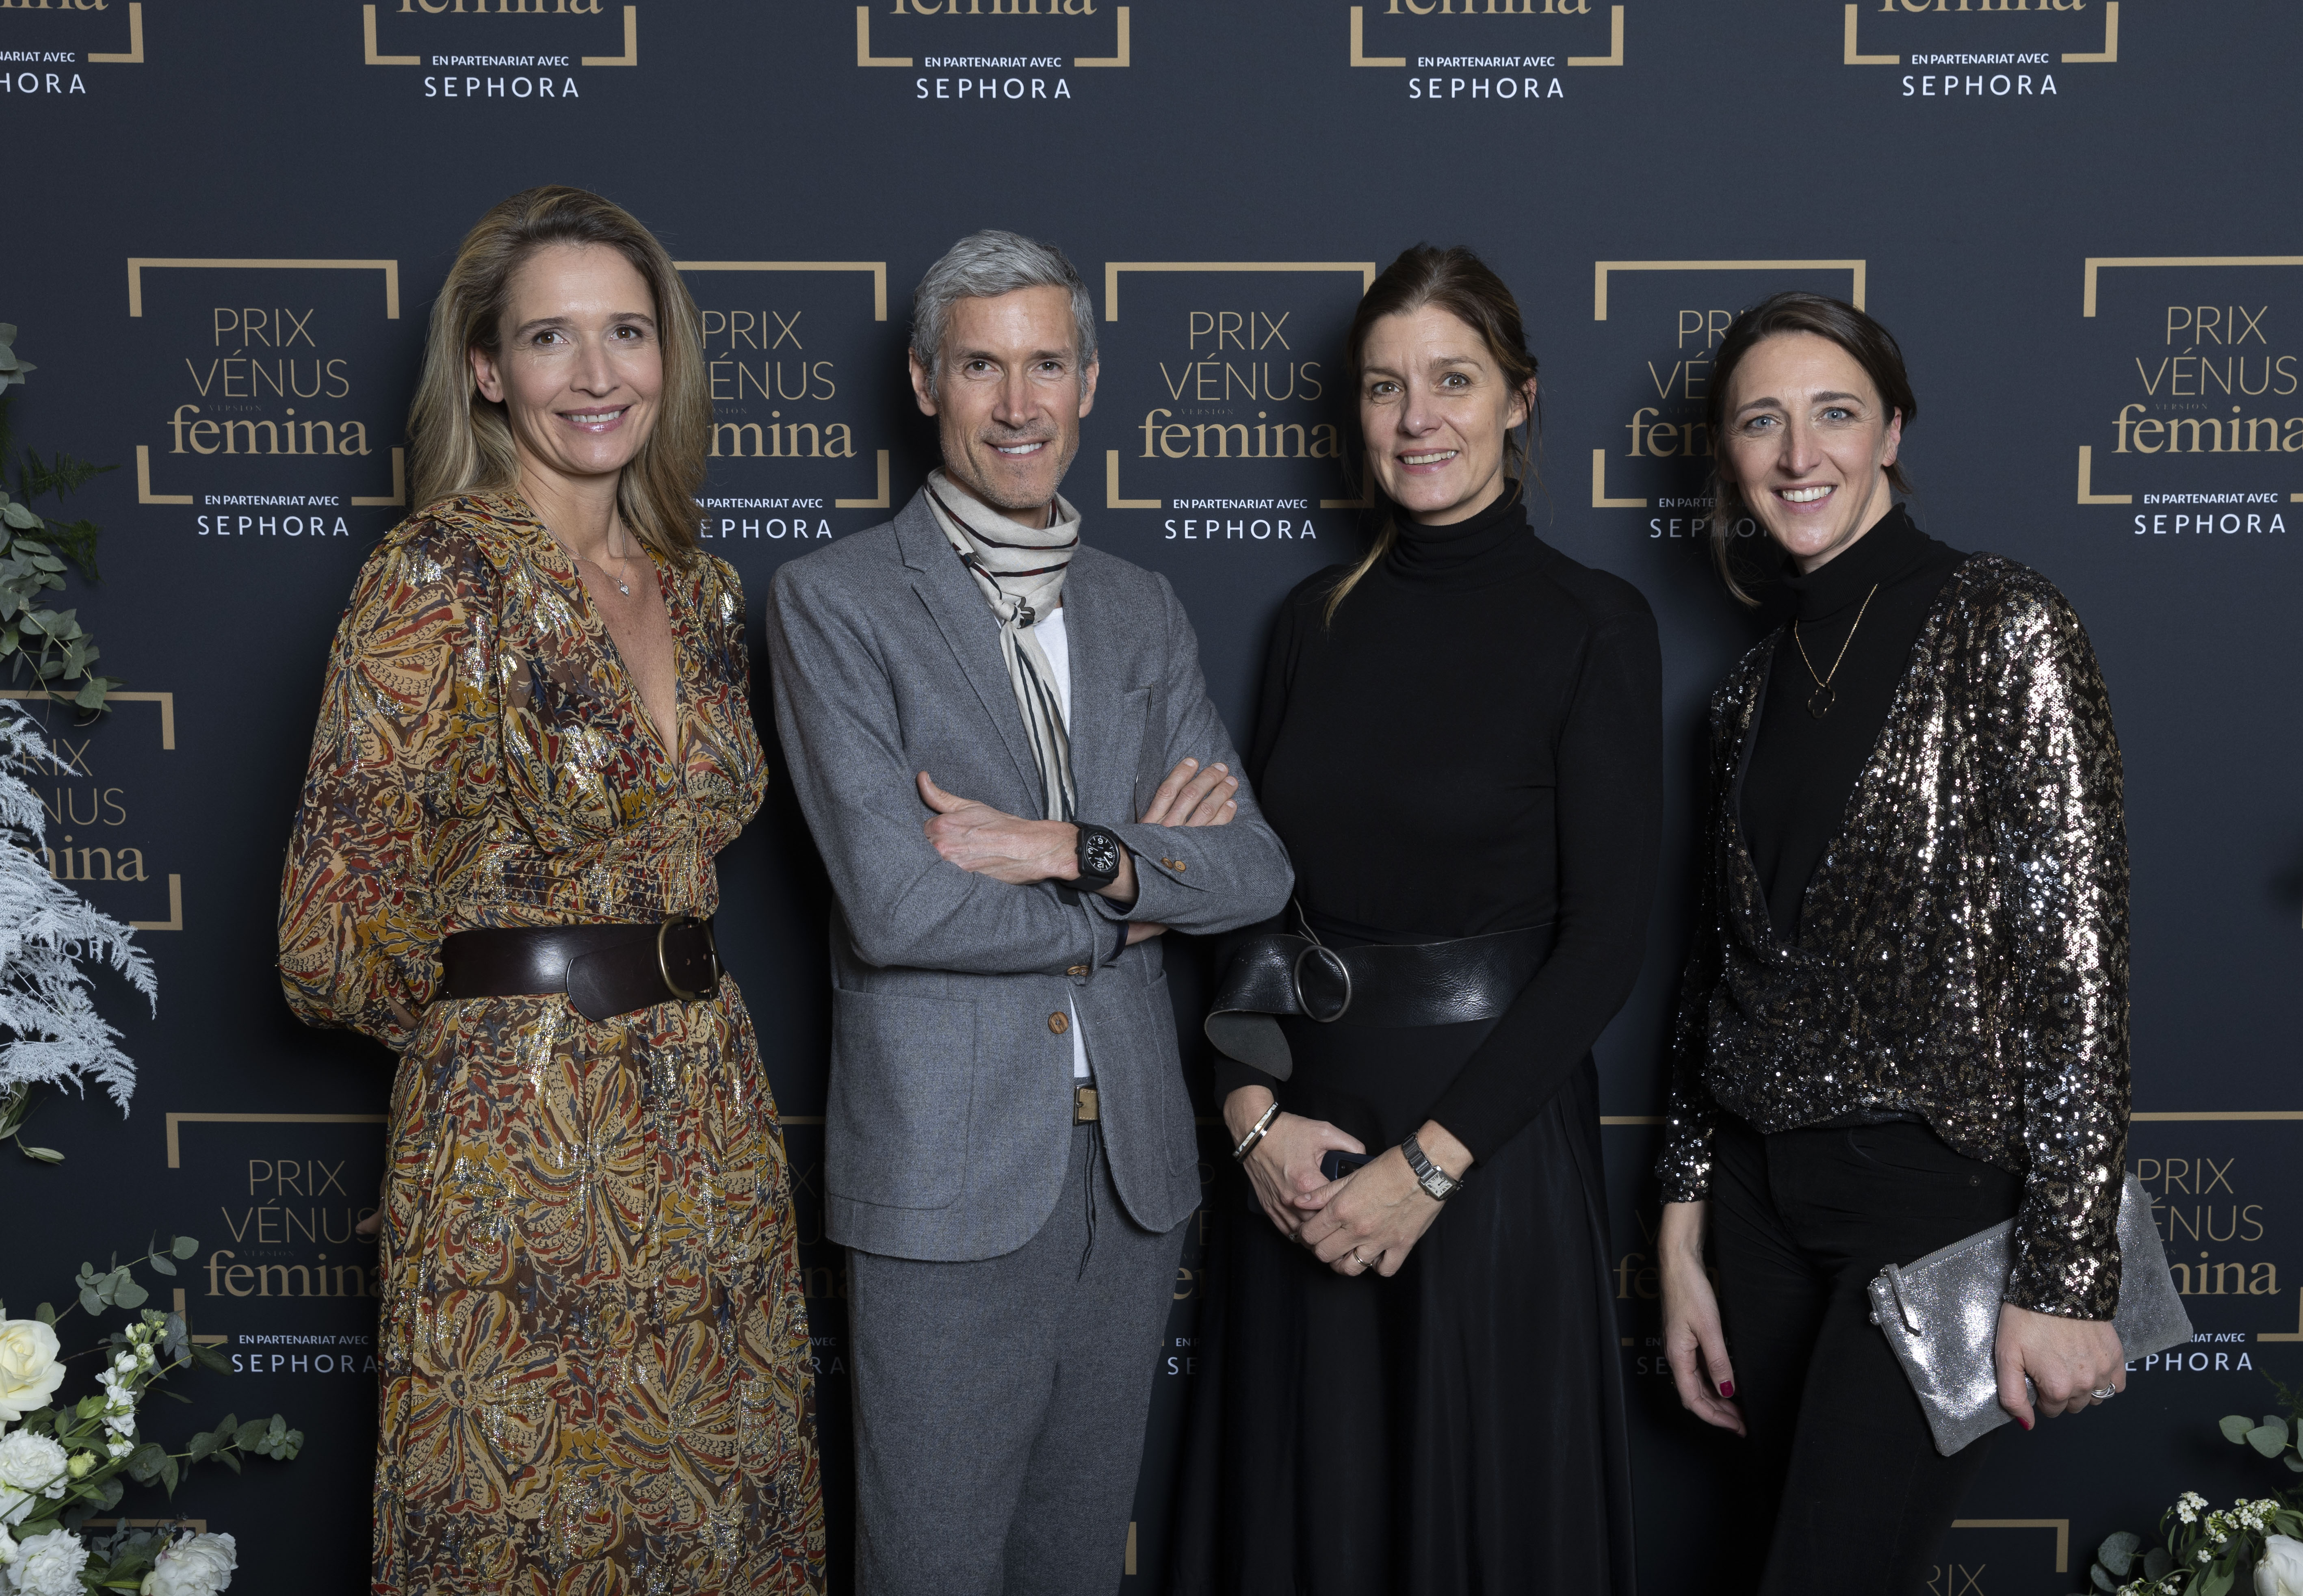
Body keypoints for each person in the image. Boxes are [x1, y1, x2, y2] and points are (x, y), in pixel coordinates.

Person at [276, 185, 824, 1595]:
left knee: (718, 1516)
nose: (596, 375)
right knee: (526, 1525)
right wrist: (500, 1049)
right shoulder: (434, 574)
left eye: (627, 334)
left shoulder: (703, 589)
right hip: (520, 1143)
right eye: (551, 339)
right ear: (485, 368)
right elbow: (331, 934)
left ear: (668, 357)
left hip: (707, 1113)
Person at [764, 229, 1294, 1596]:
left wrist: (1066, 849)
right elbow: (895, 904)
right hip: (947, 1173)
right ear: (926, 382)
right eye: (984, 366)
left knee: (1071, 1567)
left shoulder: (1140, 608)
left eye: (1046, 364)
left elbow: (1253, 872)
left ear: (1090, 382)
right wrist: (1133, 901)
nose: (1018, 403)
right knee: (930, 1566)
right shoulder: (835, 602)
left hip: (1130, 1175)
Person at [1172, 244, 1662, 1596]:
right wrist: (1249, 1117)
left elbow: (1605, 943)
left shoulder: (1595, 623)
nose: (1416, 417)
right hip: (1305, 1161)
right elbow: (1253, 898)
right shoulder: (1311, 621)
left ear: (1520, 397)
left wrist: (1431, 1167)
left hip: (1484, 1156)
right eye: (1385, 387)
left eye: (1452, 380)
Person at [1654, 292, 2132, 1595]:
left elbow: (2076, 965)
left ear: (1892, 432)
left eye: (1834, 414)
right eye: (1763, 421)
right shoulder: (1744, 693)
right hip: (1755, 1203)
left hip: (1933, 1204)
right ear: (1731, 456)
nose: (1799, 454)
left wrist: (2072, 1270)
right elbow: (1715, 972)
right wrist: (1682, 1229)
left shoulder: (2003, 622)